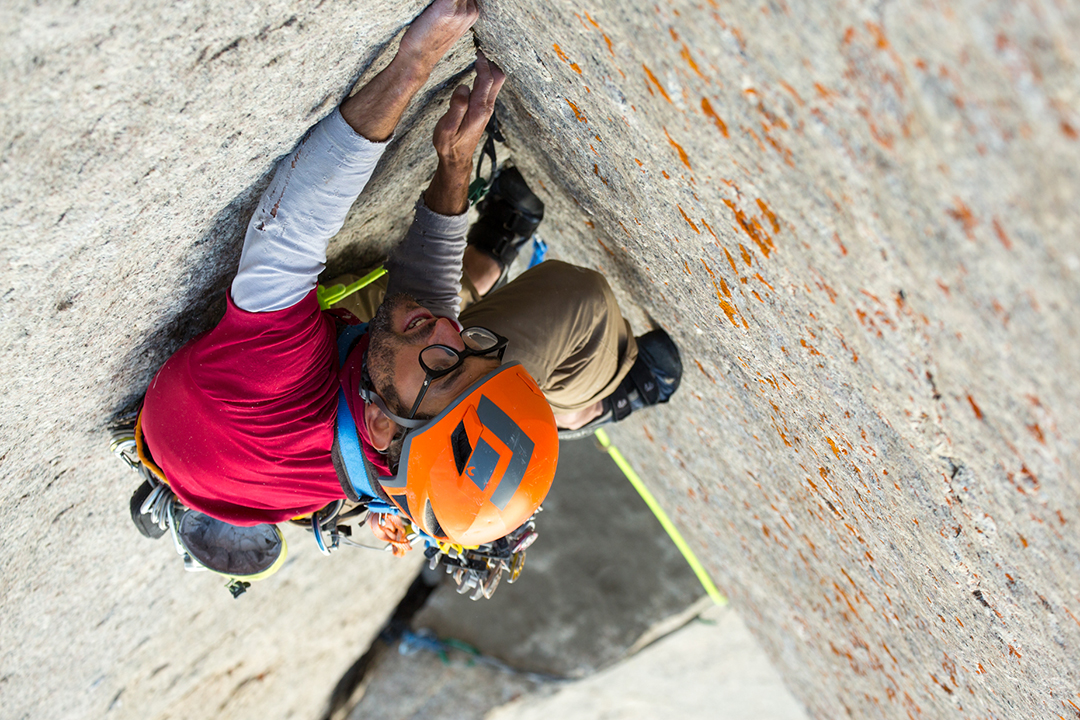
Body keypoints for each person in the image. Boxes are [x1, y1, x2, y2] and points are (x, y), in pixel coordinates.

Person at [137, 0, 681, 555]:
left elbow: (289, 229)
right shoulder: (400, 439)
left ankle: (582, 407)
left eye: (447, 368)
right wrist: (453, 165)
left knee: (579, 304)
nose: (452, 332)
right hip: (266, 440)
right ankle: (487, 270)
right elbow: (426, 320)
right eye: (471, 352)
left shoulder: (275, 381)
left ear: (378, 427)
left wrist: (412, 64)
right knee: (422, 329)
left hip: (246, 414)